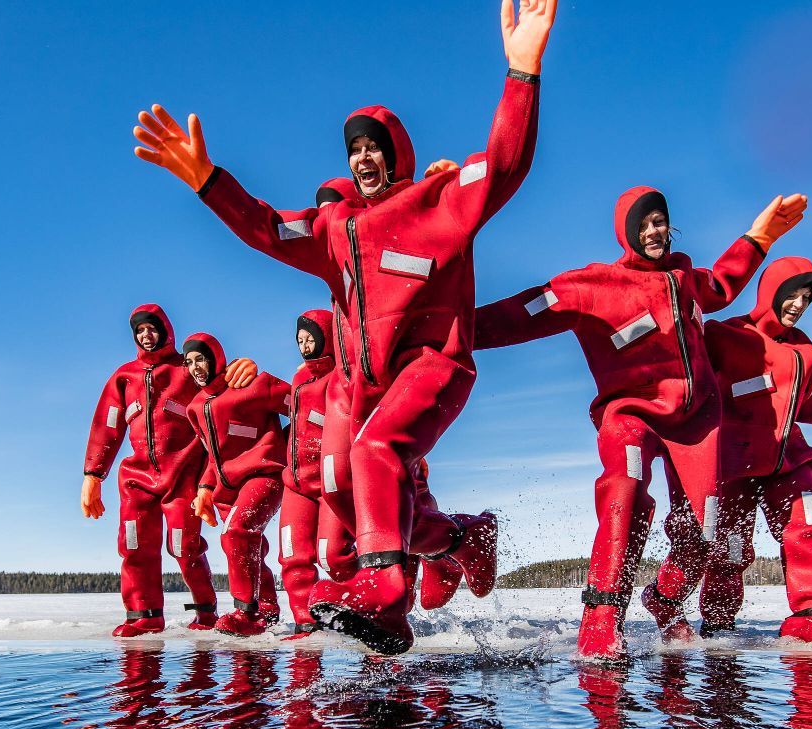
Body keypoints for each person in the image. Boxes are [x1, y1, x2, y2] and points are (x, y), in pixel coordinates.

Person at [132, 0, 558, 654]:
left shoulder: (437, 203)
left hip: (435, 369)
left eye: (374, 147)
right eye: (354, 149)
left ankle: (388, 598)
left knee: (375, 450)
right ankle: (464, 540)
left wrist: (521, 71)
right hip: (366, 386)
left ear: (398, 157)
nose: (363, 158)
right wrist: (207, 181)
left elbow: (504, 163)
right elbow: (269, 228)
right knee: (348, 492)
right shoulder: (337, 230)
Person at [473, 187, 806, 657]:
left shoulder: (685, 278)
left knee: (704, 530)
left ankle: (665, 599)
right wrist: (441, 331)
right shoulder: (593, 284)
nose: (655, 230)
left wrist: (759, 237)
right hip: (630, 413)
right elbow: (519, 314)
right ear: (628, 230)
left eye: (661, 221)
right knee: (626, 485)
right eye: (645, 222)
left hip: (696, 424)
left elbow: (723, 284)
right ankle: (602, 617)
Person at [644, 258, 812, 645]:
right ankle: (684, 606)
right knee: (724, 545)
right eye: (791, 294)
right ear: (770, 291)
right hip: (730, 462)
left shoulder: (808, 354)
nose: (798, 304)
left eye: (806, 297)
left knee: (809, 523)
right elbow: (687, 377)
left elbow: (802, 401)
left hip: (785, 456)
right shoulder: (724, 336)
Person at [82, 304, 256, 637]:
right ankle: (143, 615)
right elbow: (107, 427)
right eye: (140, 331)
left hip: (183, 475)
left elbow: (221, 383)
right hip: (137, 478)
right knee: (134, 545)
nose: (146, 335)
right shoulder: (124, 377)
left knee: (183, 545)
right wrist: (93, 475)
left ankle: (205, 611)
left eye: (152, 328)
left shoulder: (186, 368)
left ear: (166, 330)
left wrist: (243, 368)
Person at [183, 333, 292, 636]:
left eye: (200, 358)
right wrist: (205, 488)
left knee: (237, 533)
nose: (195, 367)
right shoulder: (196, 407)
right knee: (248, 546)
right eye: (189, 362)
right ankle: (267, 608)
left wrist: (294, 443)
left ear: (216, 358)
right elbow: (211, 454)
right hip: (229, 486)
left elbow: (304, 403)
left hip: (265, 474)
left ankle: (247, 613)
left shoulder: (251, 384)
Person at [278, 310, 359, 637]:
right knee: (292, 554)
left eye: (311, 337)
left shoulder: (344, 376)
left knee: (334, 555)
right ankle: (305, 620)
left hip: (332, 479)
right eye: (300, 340)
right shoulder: (299, 378)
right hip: (296, 482)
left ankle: (368, 602)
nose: (305, 345)